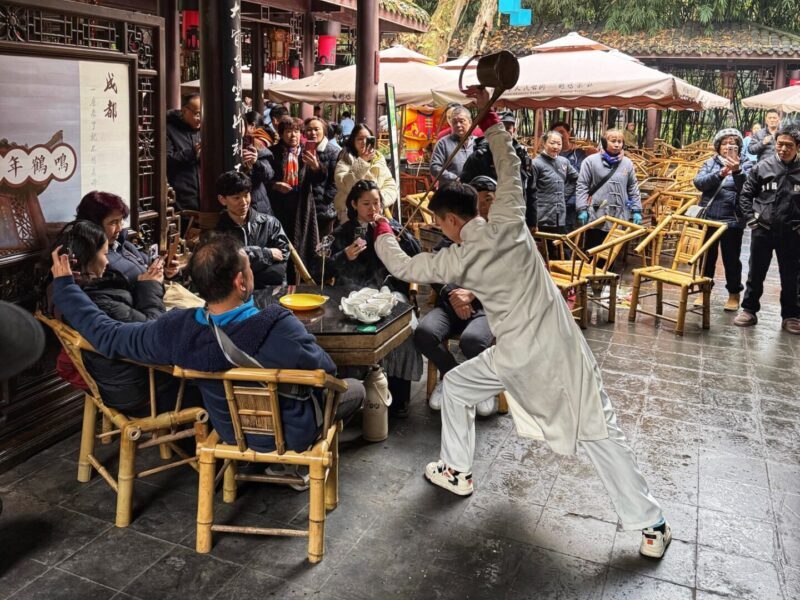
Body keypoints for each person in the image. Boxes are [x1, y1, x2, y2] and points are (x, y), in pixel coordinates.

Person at [371, 86, 670, 559]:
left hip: (520, 354)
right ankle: (457, 469)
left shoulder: (459, 258)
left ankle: (651, 521)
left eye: (440, 223)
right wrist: (489, 121)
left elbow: (407, 268)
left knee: (577, 425)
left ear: (450, 221)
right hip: (549, 346)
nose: (441, 230)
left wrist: (384, 230)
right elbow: (510, 165)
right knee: (583, 426)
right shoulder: (509, 217)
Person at [50, 234, 366, 453]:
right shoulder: (279, 325)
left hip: (229, 430)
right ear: (242, 282)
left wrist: (65, 288)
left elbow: (107, 334)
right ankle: (292, 467)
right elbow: (327, 374)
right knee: (355, 388)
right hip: (292, 433)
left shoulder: (175, 330)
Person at [43, 220, 193, 417]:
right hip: (142, 386)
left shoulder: (66, 291)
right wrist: (151, 287)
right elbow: (150, 335)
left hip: (117, 378)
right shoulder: (96, 299)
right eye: (105, 254)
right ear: (86, 259)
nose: (108, 261)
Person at [326, 180, 423, 416]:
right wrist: (343, 256)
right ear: (354, 205)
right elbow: (319, 266)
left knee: (403, 331)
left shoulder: (388, 226)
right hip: (351, 294)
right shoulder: (342, 232)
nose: (373, 209)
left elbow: (418, 252)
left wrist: (396, 235)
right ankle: (353, 394)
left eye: (377, 203)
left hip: (389, 291)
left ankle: (399, 398)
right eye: (366, 204)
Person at [415, 175, 495, 415]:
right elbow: (434, 272)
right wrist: (453, 294)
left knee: (472, 341)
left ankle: (483, 384)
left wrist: (471, 293)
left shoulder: (499, 237)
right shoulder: (452, 238)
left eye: (488, 200)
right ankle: (451, 376)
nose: (483, 207)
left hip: (486, 308)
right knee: (423, 333)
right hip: (450, 307)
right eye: (479, 202)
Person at [734, 126, 800, 334]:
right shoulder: (763, 167)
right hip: (763, 229)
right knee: (756, 272)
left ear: (798, 147)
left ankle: (791, 315)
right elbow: (745, 195)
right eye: (779, 144)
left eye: (788, 146)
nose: (783, 149)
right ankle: (749, 310)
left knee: (792, 275)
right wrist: (751, 219)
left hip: (792, 232)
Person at [692, 128, 750, 311]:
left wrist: (737, 170)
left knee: (731, 259)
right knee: (707, 258)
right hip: (709, 218)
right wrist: (720, 174)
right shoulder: (710, 163)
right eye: (724, 143)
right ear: (718, 147)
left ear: (739, 147)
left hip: (732, 220)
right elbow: (699, 183)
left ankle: (734, 294)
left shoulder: (746, 164)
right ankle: (704, 290)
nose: (728, 147)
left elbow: (748, 188)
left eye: (732, 143)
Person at [267, 117, 324, 282]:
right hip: (280, 207)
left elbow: (319, 178)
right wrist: (275, 185)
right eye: (289, 131)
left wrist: (315, 167)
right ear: (282, 133)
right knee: (282, 245)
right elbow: (264, 180)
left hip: (303, 206)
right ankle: (283, 281)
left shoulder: (308, 152)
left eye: (297, 131)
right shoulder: (273, 152)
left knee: (304, 247)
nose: (293, 135)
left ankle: (302, 282)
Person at [461, 110, 537, 230]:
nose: (504, 132)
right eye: (500, 127)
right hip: (486, 220)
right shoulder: (479, 157)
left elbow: (531, 191)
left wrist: (532, 221)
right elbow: (465, 191)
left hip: (516, 217)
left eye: (508, 128)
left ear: (514, 130)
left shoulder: (522, 157)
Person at [215, 171, 289, 288]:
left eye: (246, 195)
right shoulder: (218, 230)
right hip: (235, 294)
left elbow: (281, 261)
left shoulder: (269, 223)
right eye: (236, 198)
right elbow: (225, 263)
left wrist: (244, 265)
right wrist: (266, 254)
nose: (244, 202)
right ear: (222, 199)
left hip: (270, 290)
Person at [576, 129, 643, 249]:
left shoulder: (627, 163)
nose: (617, 144)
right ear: (604, 142)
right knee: (593, 248)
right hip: (597, 212)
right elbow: (582, 185)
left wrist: (636, 210)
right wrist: (582, 208)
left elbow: (632, 187)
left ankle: (609, 268)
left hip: (619, 215)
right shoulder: (590, 161)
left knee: (612, 250)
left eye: (620, 141)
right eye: (613, 141)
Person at [333, 123, 398, 223]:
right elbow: (345, 185)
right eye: (360, 139)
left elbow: (390, 185)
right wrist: (362, 161)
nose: (364, 142)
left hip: (376, 214)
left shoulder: (378, 159)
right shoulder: (345, 160)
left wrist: (378, 202)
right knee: (355, 238)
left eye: (367, 139)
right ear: (353, 141)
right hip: (351, 214)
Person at [530, 130, 579, 239]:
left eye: (559, 143)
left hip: (559, 215)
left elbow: (576, 178)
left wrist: (564, 194)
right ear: (544, 143)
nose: (556, 146)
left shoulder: (564, 162)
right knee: (541, 248)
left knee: (557, 246)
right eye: (552, 143)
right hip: (541, 215)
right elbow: (530, 189)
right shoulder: (536, 163)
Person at [552, 121, 592, 231]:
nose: (559, 135)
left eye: (562, 132)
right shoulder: (550, 155)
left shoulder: (580, 153)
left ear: (569, 133)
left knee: (568, 235)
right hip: (553, 202)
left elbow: (583, 176)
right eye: (556, 133)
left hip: (572, 202)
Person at [305, 117, 340, 235]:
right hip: (306, 207)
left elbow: (335, 182)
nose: (313, 133)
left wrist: (325, 201)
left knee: (323, 245)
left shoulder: (334, 151)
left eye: (316, 129)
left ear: (324, 131)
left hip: (324, 210)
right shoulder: (303, 150)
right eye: (309, 130)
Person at [167, 94, 201, 212]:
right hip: (181, 196)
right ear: (184, 111)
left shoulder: (205, 129)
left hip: (205, 195)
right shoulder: (169, 129)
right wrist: (193, 152)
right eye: (197, 114)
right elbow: (166, 159)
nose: (201, 118)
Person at [430, 106, 475, 182]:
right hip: (451, 189)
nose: (458, 125)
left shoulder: (477, 142)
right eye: (454, 122)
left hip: (474, 189)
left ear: (470, 122)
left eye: (462, 121)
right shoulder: (443, 143)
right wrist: (455, 179)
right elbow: (435, 167)